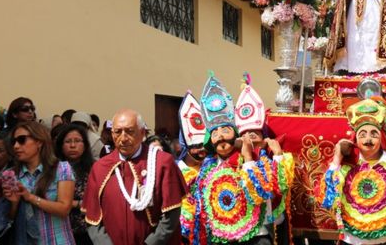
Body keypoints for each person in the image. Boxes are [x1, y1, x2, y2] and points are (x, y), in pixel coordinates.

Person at [188, 73, 277, 245]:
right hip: (220, 238)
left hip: (256, 236)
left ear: (236, 135)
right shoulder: (208, 169)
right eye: (214, 133)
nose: (220, 137)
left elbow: (261, 194)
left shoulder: (258, 160)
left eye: (225, 131)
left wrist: (248, 158)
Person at [317, 97, 386, 244]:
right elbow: (327, 197)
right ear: (355, 140)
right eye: (362, 134)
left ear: (381, 138)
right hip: (353, 240)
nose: (368, 139)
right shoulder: (345, 167)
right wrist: (337, 157)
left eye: (374, 134)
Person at [83, 109, 186, 245]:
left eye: (130, 131)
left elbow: (171, 215)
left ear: (142, 132)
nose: (123, 138)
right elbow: (93, 218)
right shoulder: (100, 167)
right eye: (118, 132)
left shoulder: (161, 162)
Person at [0, 121, 75, 244]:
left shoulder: (62, 168)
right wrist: (14, 203)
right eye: (14, 142)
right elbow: (9, 220)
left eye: (22, 140)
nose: (16, 146)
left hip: (58, 240)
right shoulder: (11, 175)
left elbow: (64, 209)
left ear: (39, 142)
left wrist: (30, 197)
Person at [235, 74, 295, 245]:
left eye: (256, 130)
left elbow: (282, 186)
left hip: (269, 228)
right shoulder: (234, 160)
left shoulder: (277, 157)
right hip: (241, 229)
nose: (251, 133)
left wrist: (277, 156)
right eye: (246, 131)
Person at [54, 124, 94, 245]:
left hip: (88, 231)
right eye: (68, 141)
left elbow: (97, 201)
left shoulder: (94, 169)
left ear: (85, 145)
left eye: (77, 141)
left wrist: (71, 204)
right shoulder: (52, 169)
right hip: (59, 230)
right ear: (60, 145)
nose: (72, 145)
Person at [176, 91, 206, 243]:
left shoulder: (211, 168)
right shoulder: (175, 170)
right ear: (185, 147)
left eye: (204, 145)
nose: (202, 150)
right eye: (196, 146)